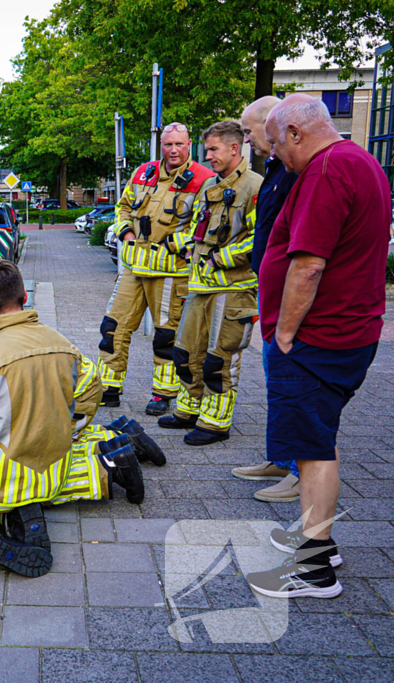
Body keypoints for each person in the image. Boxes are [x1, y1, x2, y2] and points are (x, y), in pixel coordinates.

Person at [0, 261, 152, 577]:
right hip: (53, 474)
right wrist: (64, 427)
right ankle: (103, 467)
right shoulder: (63, 345)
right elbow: (91, 391)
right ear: (23, 296)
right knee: (63, 452)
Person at [246, 94, 389, 599]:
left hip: (318, 337)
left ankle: (313, 569)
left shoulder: (327, 171)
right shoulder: (361, 161)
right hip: (347, 330)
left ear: (296, 133)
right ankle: (318, 543)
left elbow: (308, 263)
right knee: (317, 442)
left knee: (311, 450)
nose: (275, 155)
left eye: (275, 143)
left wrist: (284, 332)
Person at [97, 123, 214, 417]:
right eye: (167, 144)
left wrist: (171, 243)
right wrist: (126, 233)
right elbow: (122, 206)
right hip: (134, 268)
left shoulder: (204, 179)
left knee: (166, 337)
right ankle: (108, 389)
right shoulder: (143, 172)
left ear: (189, 144)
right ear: (160, 145)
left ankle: (162, 395)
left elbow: (205, 225)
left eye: (179, 144)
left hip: (171, 273)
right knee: (113, 328)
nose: (173, 150)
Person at [159, 121, 262, 445]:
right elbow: (196, 229)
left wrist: (221, 258)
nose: (209, 156)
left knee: (219, 357)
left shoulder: (254, 187)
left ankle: (216, 422)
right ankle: (190, 408)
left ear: (235, 148)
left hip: (233, 289)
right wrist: (179, 243)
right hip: (200, 285)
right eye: (207, 150)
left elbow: (263, 239)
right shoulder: (209, 187)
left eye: (214, 149)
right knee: (186, 352)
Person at [230, 96, 302, 501]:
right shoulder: (276, 168)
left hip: (288, 296)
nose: (246, 137)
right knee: (276, 378)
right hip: (270, 292)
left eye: (248, 130)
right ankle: (280, 456)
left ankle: (299, 469)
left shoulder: (293, 170)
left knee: (294, 380)